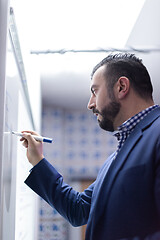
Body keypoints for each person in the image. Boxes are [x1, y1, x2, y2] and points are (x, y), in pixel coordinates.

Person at [21, 53, 160, 240]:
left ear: (121, 87)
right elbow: (78, 210)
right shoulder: (114, 159)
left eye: (95, 91)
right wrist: (38, 161)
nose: (90, 104)